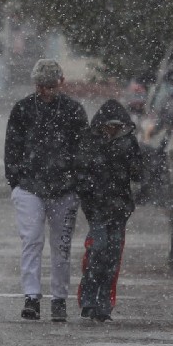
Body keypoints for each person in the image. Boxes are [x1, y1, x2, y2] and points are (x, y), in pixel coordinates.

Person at [4, 58, 89, 322]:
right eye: (42, 86)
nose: (46, 92)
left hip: (62, 187)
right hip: (31, 186)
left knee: (60, 246)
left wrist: (75, 180)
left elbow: (83, 150)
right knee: (32, 240)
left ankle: (59, 299)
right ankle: (32, 296)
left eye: (50, 86)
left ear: (60, 83)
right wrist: (16, 180)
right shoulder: (23, 109)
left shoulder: (73, 111)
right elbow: (12, 148)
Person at [74, 98, 142, 322]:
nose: (112, 130)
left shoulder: (127, 144)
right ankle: (89, 300)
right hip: (100, 209)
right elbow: (82, 174)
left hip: (118, 209)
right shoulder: (91, 143)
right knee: (98, 252)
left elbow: (138, 175)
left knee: (111, 256)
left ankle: (102, 303)